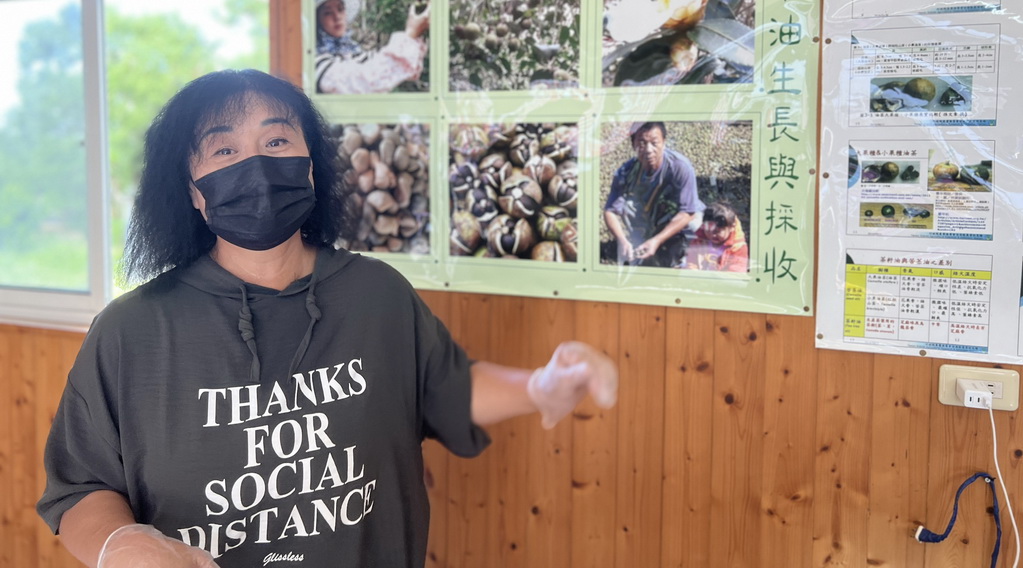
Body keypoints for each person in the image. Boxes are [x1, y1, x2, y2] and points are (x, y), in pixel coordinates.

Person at [37, 69, 617, 568]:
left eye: (277, 140)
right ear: (192, 191)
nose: (256, 164)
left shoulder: (377, 294)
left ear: (311, 166)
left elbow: (447, 389)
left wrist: (541, 386)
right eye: (224, 151)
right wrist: (120, 545)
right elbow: (81, 486)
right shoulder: (131, 332)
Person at [603, 121, 704, 267]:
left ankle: (683, 248)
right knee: (627, 206)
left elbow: (688, 211)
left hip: (677, 217)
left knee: (694, 224)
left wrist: (657, 240)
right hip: (648, 218)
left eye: (654, 143)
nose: (648, 150)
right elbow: (610, 211)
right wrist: (622, 240)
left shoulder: (680, 167)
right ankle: (642, 239)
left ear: (664, 142)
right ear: (633, 144)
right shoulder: (625, 172)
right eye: (642, 143)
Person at [314, 0, 430, 94]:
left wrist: (420, 9)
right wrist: (411, 33)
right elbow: (364, 82)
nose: (337, 17)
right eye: (327, 13)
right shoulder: (316, 60)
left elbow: (392, 67)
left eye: (340, 9)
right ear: (317, 21)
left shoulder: (353, 52)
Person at [684, 201, 749, 272]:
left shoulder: (738, 248)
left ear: (731, 227)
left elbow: (736, 272)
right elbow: (691, 263)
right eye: (708, 230)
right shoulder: (698, 243)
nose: (712, 235)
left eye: (717, 231)